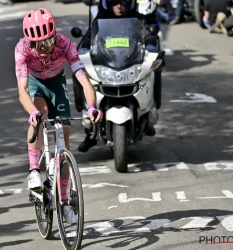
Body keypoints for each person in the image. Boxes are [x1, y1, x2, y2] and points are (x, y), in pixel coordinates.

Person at [14, 8, 103, 223]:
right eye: (38, 43)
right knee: (41, 113)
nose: (43, 48)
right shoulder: (22, 49)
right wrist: (32, 112)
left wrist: (91, 106)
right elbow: (22, 91)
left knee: (63, 135)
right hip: (34, 84)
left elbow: (84, 81)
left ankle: (63, 201)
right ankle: (34, 170)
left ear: (54, 35)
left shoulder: (64, 44)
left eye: (47, 41)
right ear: (30, 42)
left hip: (56, 82)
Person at [77, 0, 162, 152]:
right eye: (114, 2)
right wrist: (83, 49)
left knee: (156, 68)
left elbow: (148, 33)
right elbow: (88, 38)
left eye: (123, 2)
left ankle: (148, 113)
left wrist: (151, 45)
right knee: (79, 71)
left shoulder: (137, 18)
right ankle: (89, 133)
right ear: (107, 3)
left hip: (130, 63)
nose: (118, 6)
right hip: (107, 64)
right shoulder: (101, 18)